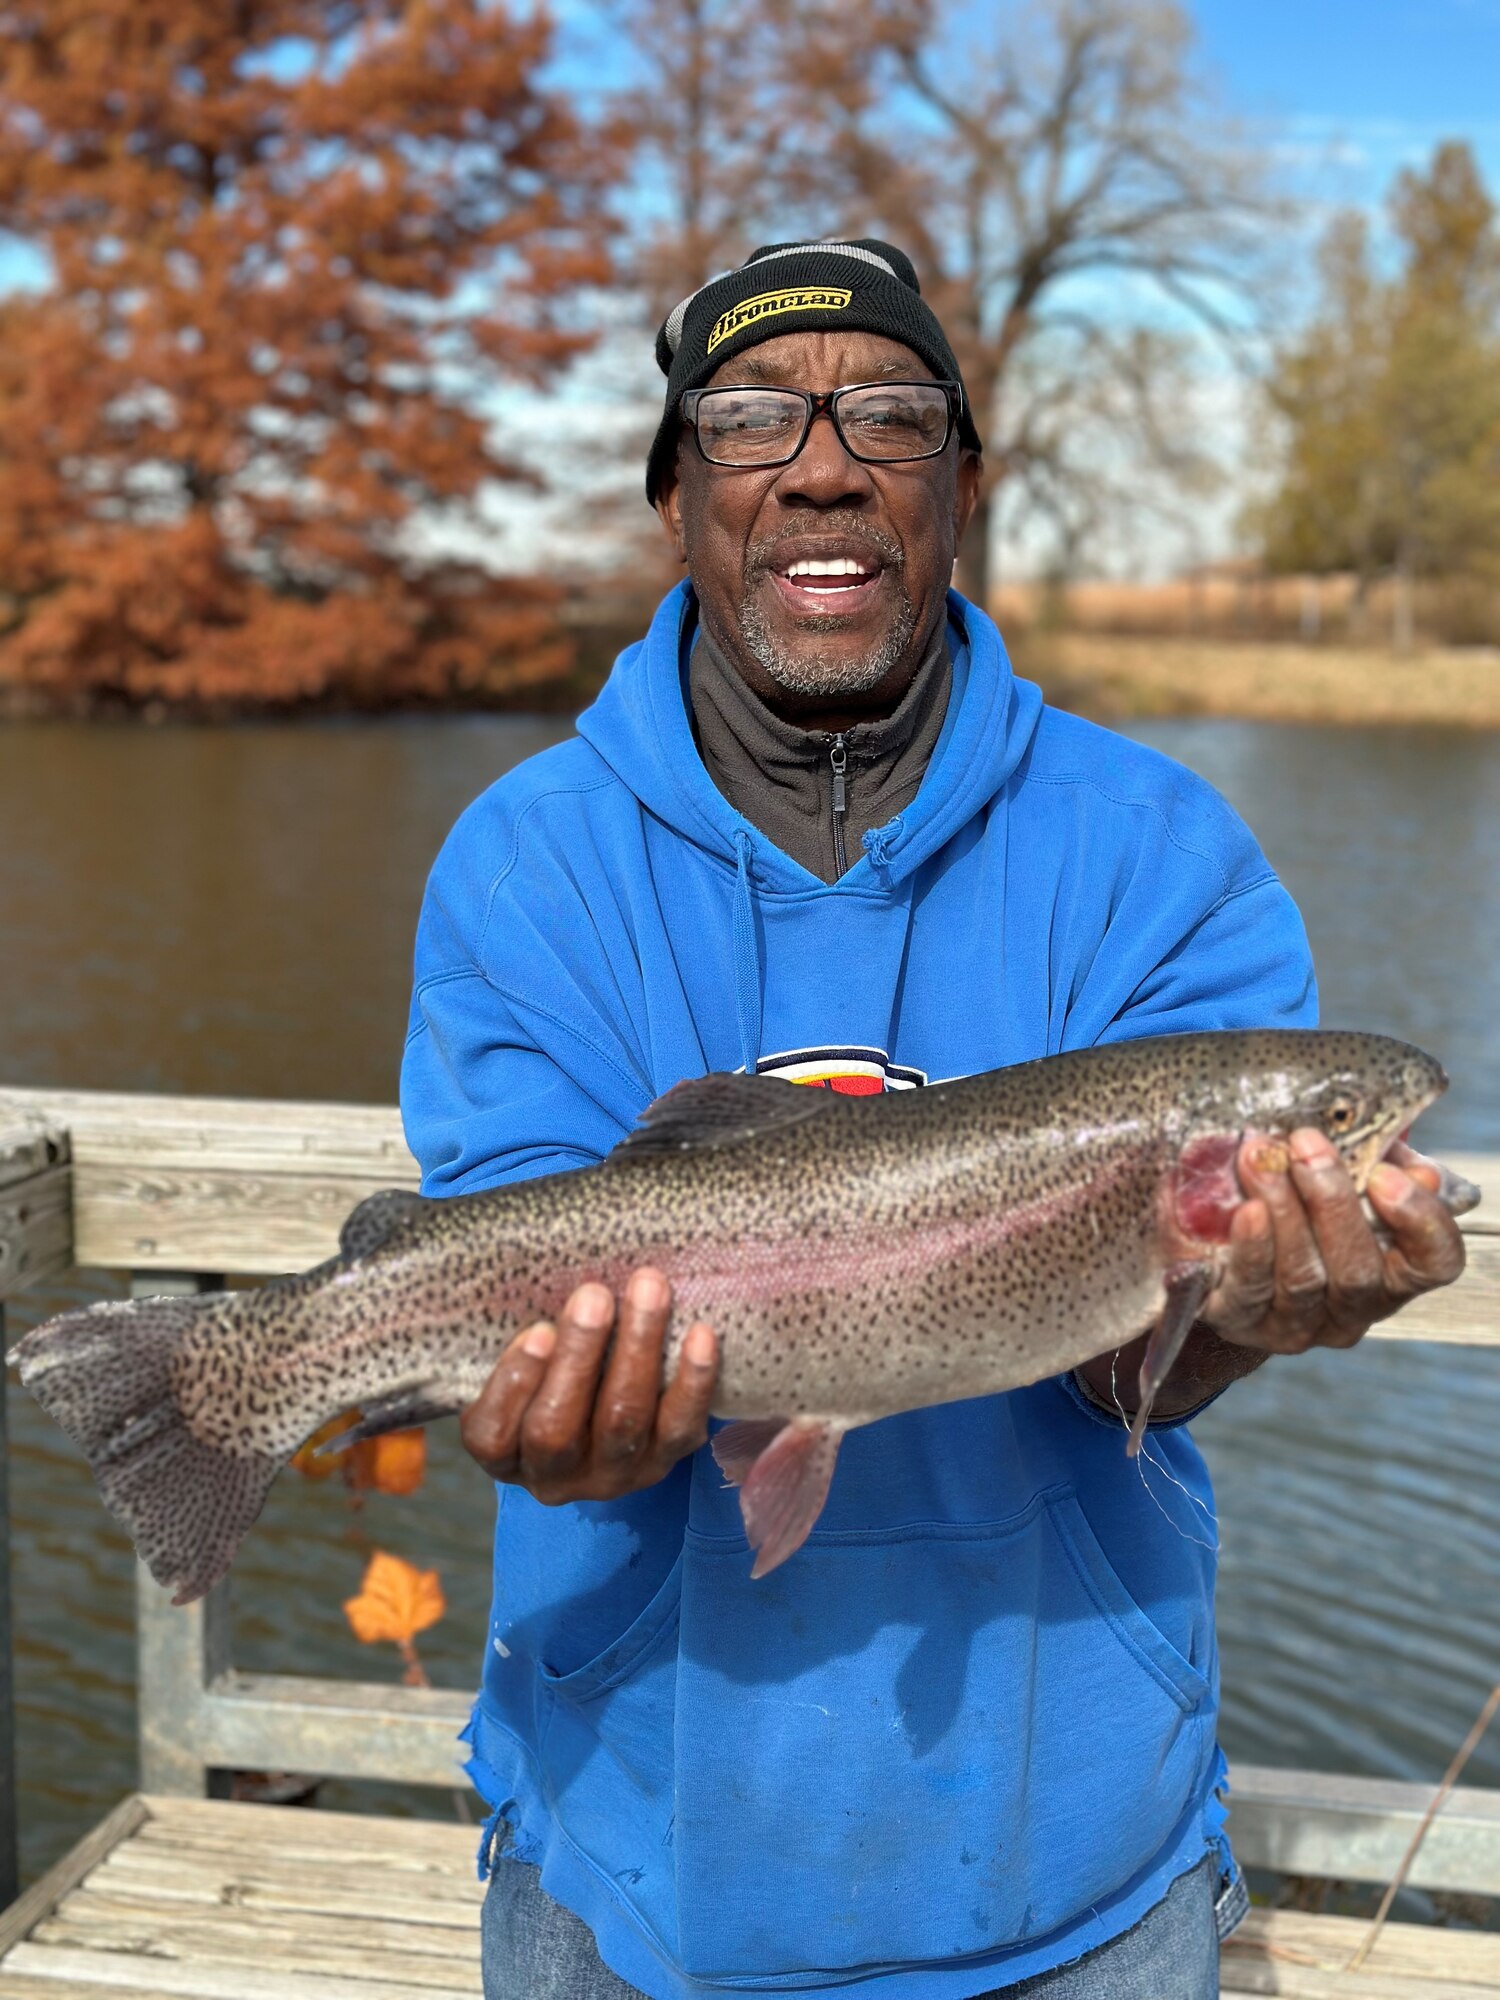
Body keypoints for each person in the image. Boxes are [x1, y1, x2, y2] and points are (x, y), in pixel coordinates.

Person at [400, 240, 1466, 2000]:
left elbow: (1133, 1378)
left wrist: (1236, 1319)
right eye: (748, 418)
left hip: (1080, 1870)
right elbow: (515, 1230)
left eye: (891, 412)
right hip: (632, 1862)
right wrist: (554, 1411)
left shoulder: (1160, 852)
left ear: (962, 486)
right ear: (675, 495)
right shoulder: (528, 858)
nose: (824, 461)